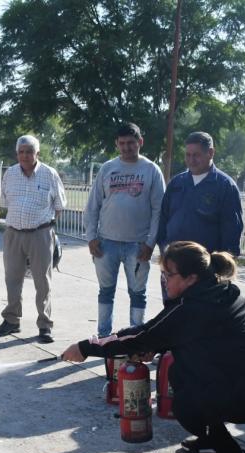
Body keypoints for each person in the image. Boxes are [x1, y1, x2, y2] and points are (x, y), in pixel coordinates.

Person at [61, 241, 245, 453]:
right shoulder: (216, 290)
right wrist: (156, 345)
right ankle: (212, 439)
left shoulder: (193, 308)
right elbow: (174, 334)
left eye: (169, 274)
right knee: (181, 372)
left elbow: (140, 336)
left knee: (187, 402)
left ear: (191, 278)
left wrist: (85, 347)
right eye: (163, 273)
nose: (163, 280)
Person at [84, 123, 165, 337]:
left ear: (140, 142)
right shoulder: (107, 168)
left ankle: (135, 337)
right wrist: (91, 237)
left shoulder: (151, 170)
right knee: (105, 292)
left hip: (138, 246)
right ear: (116, 144)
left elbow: (159, 210)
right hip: (106, 243)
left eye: (131, 142)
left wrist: (150, 243)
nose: (126, 147)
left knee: (138, 294)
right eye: (122, 143)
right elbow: (93, 206)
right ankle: (103, 337)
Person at [0, 135, 67, 343]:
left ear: (37, 153)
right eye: (21, 152)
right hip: (13, 234)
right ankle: (11, 320)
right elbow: (5, 202)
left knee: (43, 282)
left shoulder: (49, 174)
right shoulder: (10, 174)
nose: (25, 156)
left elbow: (59, 206)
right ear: (17, 154)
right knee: (12, 279)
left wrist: (47, 228)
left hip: (40, 234)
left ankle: (45, 324)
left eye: (29, 151)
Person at [156, 132, 243, 256]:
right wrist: (163, 248)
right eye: (188, 155)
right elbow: (163, 219)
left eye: (196, 155)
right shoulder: (176, 183)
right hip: (173, 261)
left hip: (206, 263)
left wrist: (225, 261)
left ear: (211, 153)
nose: (191, 160)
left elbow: (232, 231)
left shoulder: (226, 186)